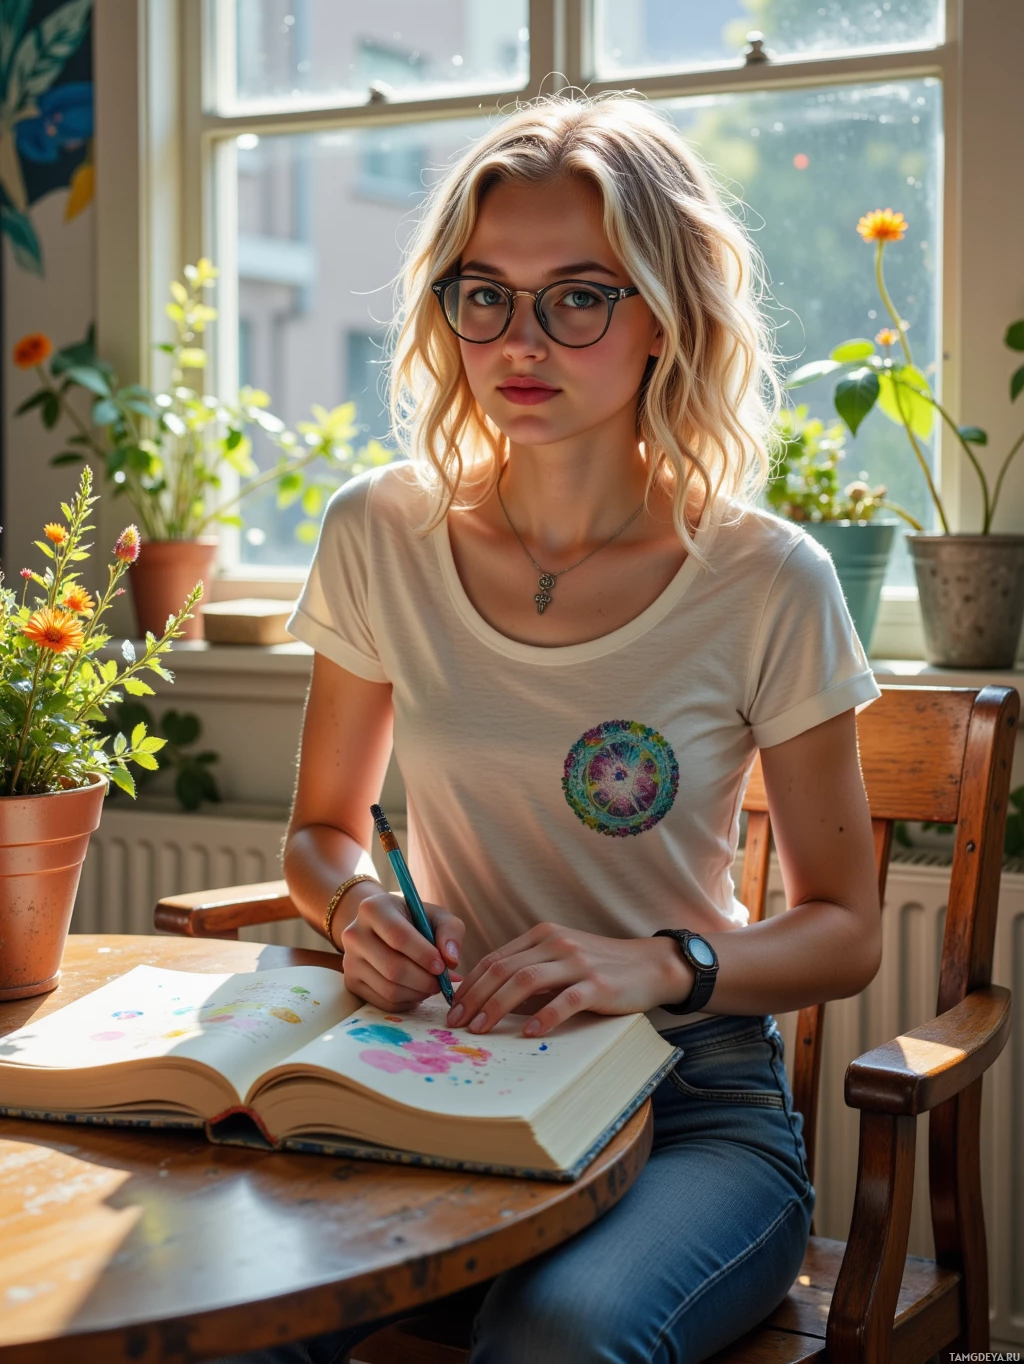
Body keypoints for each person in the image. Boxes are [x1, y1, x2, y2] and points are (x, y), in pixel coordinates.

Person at [223, 93, 882, 1364]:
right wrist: (355, 911)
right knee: (231, 1306)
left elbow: (846, 928)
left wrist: (660, 963)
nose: (519, 339)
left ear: (665, 317)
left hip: (687, 1108)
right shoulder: (379, 532)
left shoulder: (766, 578)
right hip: (432, 1077)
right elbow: (320, 832)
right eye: (485, 293)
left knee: (557, 1341)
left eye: (578, 295)